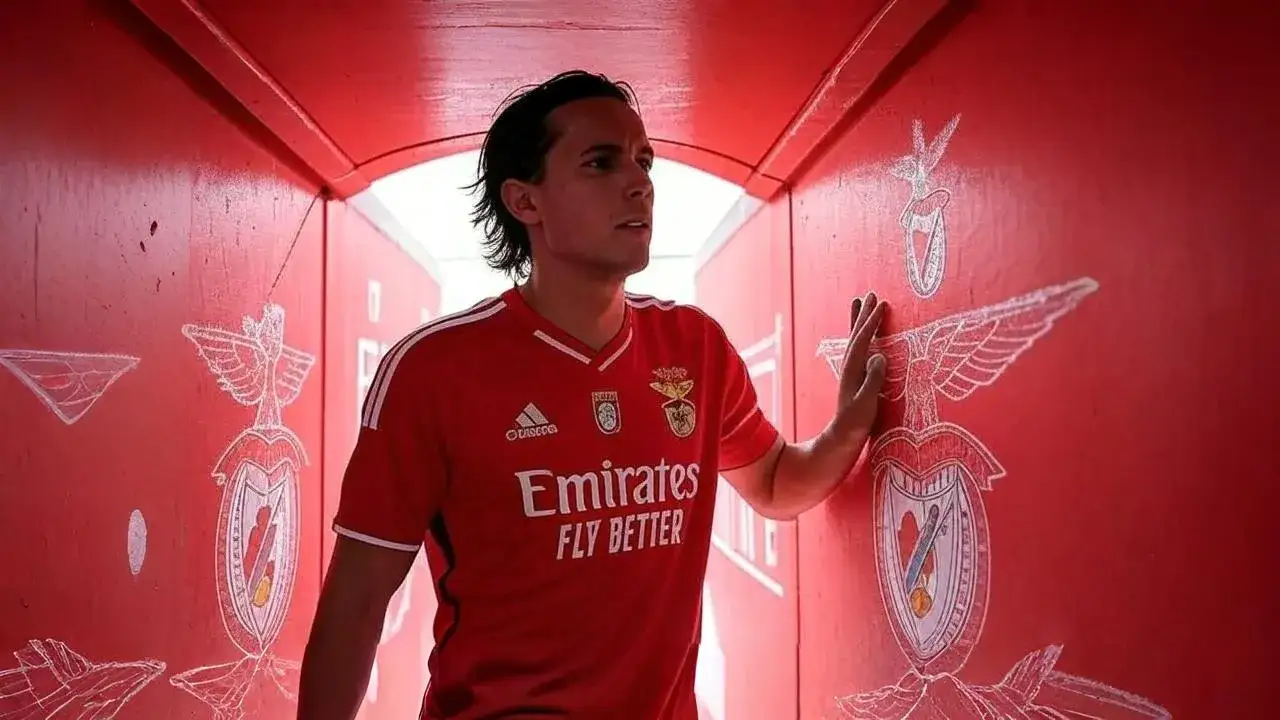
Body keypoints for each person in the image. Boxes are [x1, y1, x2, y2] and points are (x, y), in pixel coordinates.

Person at [296, 70, 888, 720]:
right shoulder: (432, 371)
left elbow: (775, 483)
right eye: (600, 163)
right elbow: (356, 603)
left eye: (644, 161)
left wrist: (849, 426)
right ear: (526, 202)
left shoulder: (695, 346)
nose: (639, 184)